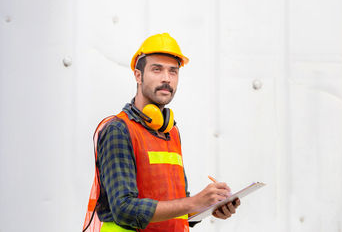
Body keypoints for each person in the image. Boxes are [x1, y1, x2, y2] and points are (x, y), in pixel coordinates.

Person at [82, 33, 240, 232]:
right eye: (157, 70)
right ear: (138, 75)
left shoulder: (171, 132)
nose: (166, 78)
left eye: (173, 71)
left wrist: (208, 206)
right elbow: (124, 209)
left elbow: (177, 206)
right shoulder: (119, 130)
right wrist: (193, 202)